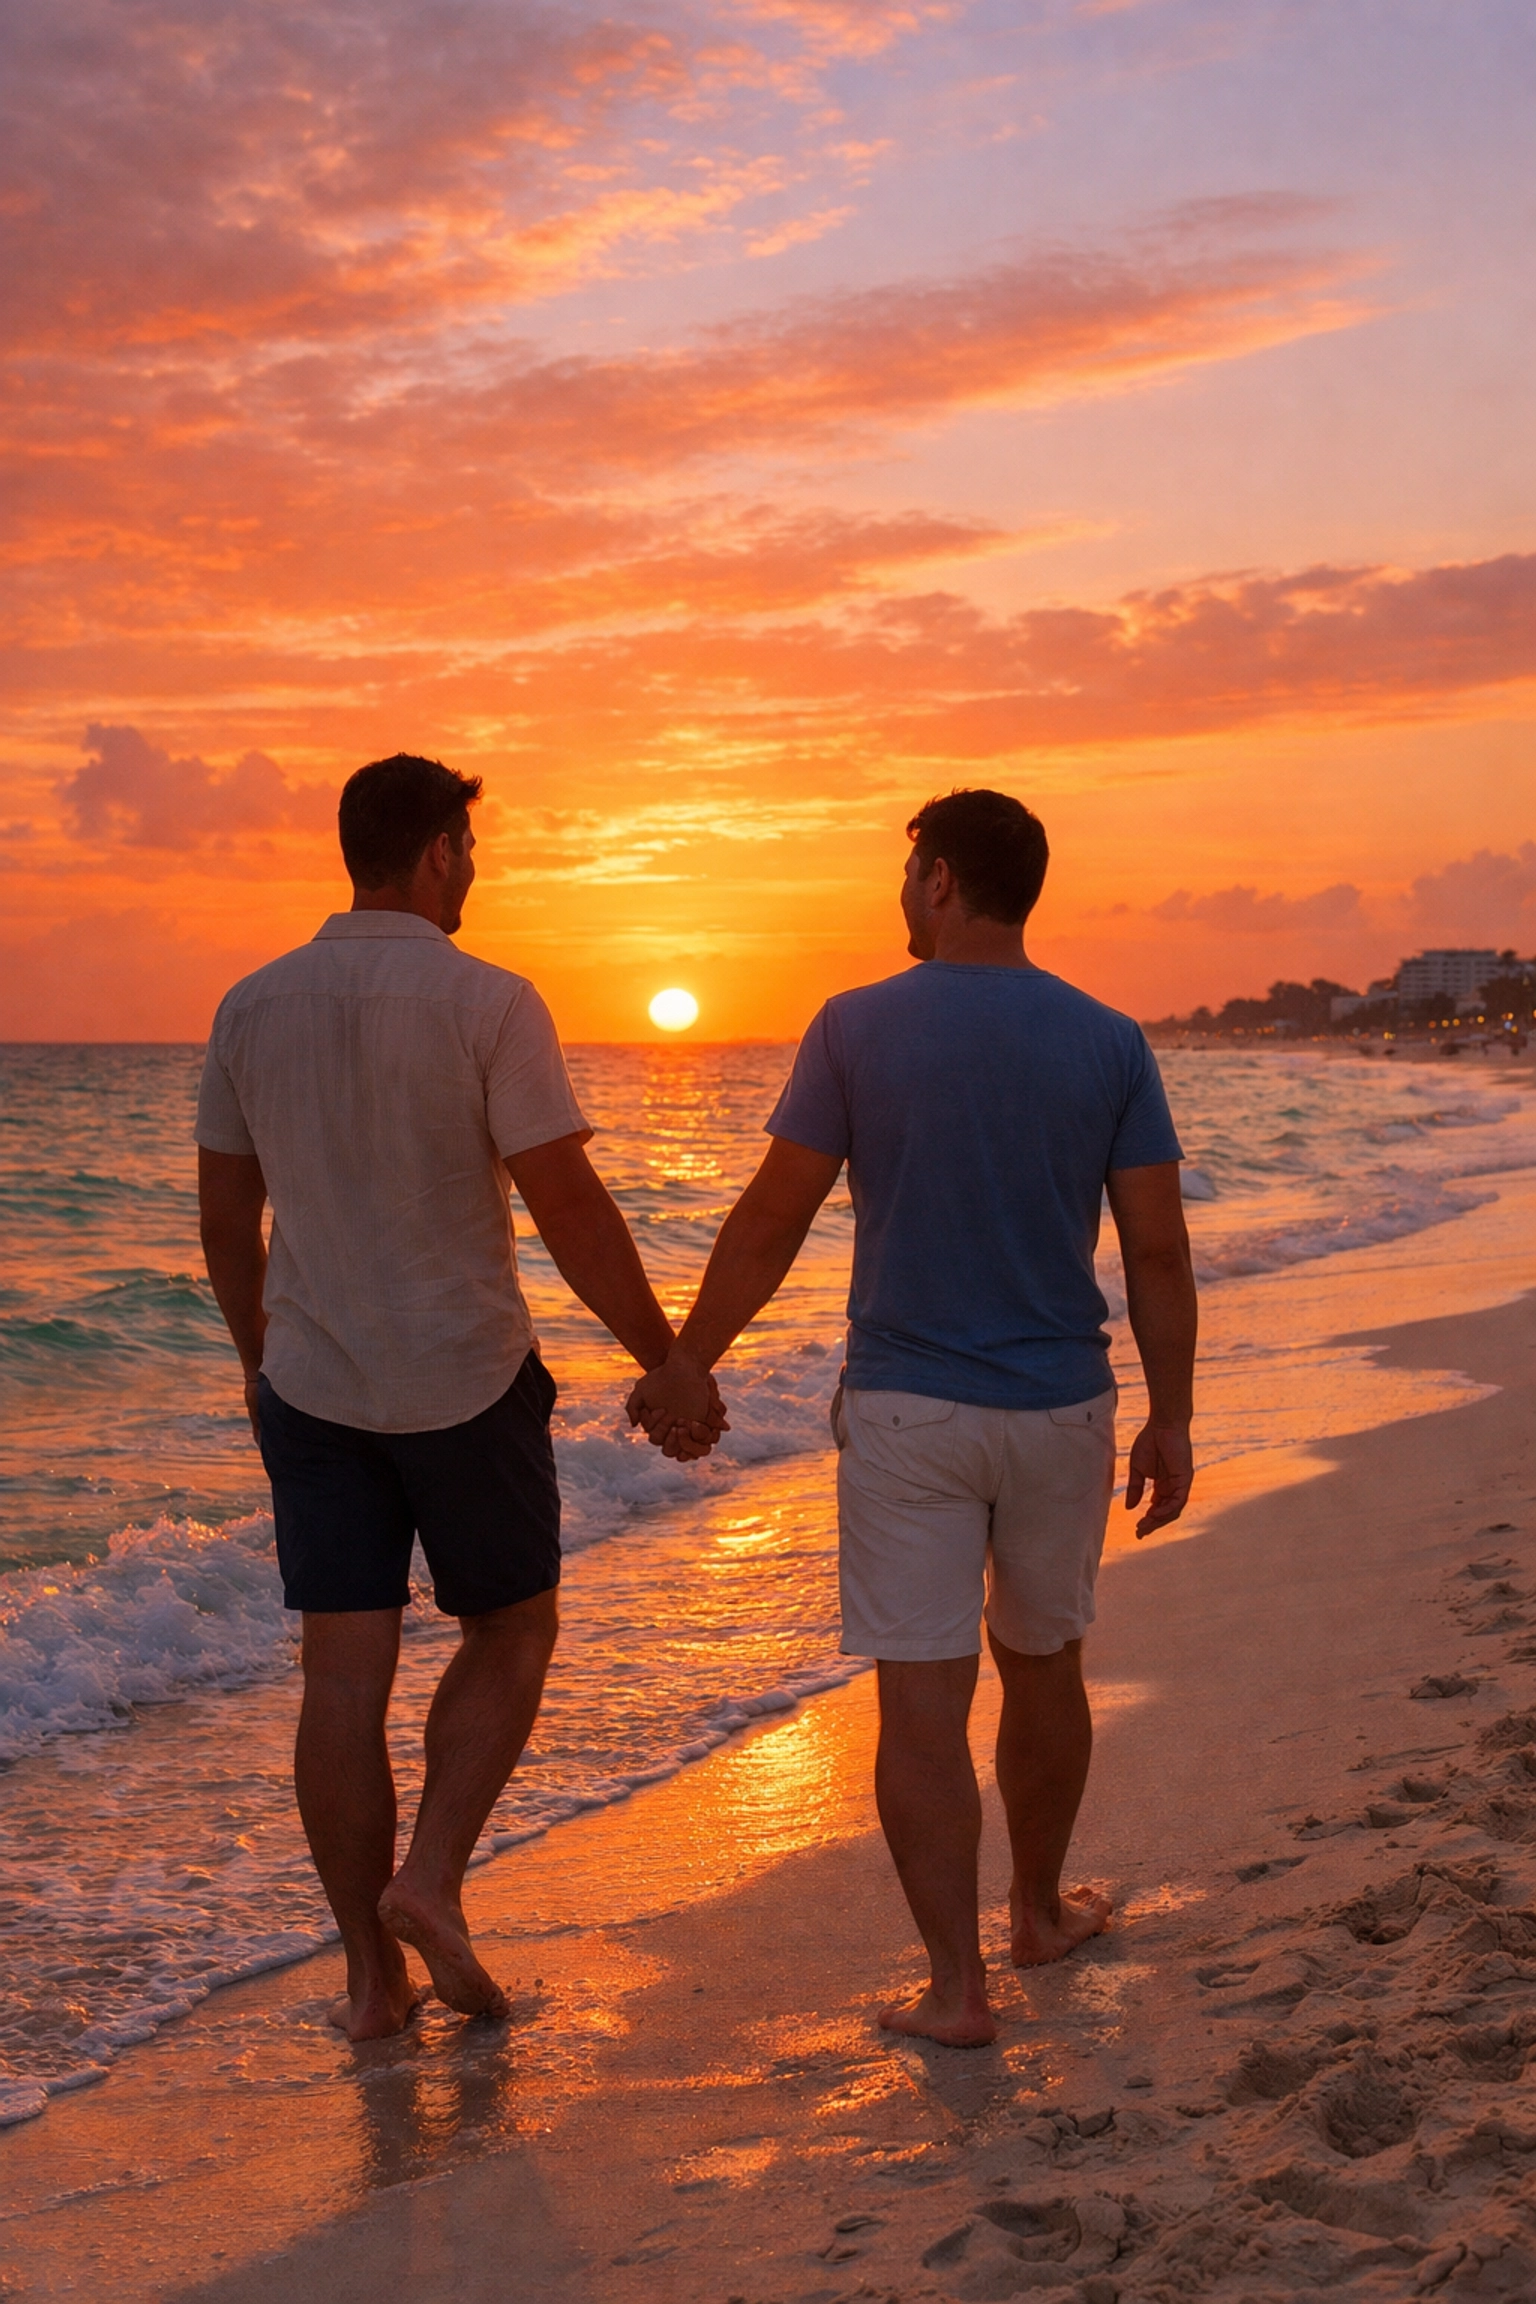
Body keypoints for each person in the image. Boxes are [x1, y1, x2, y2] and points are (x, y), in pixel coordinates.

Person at [630, 787, 1196, 2047]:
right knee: (1046, 1666)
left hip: (908, 1417)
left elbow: (776, 1214)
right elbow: (1156, 1249)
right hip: (1061, 1411)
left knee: (921, 1702)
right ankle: (1038, 1915)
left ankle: (956, 1990)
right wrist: (1175, 1414)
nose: (899, 898)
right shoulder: (1108, 1039)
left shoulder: (855, 1027)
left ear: (939, 879)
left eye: (907, 875)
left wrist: (687, 1361)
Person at [196, 753, 720, 2042]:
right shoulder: (490, 1001)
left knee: (342, 1675)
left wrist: (261, 1360)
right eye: (469, 849)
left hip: (314, 1387)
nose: (474, 871)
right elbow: (568, 1206)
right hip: (466, 1381)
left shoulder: (250, 1006)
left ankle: (372, 1992)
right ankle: (428, 1877)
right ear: (436, 851)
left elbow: (226, 1214)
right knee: (512, 1627)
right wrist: (665, 1355)